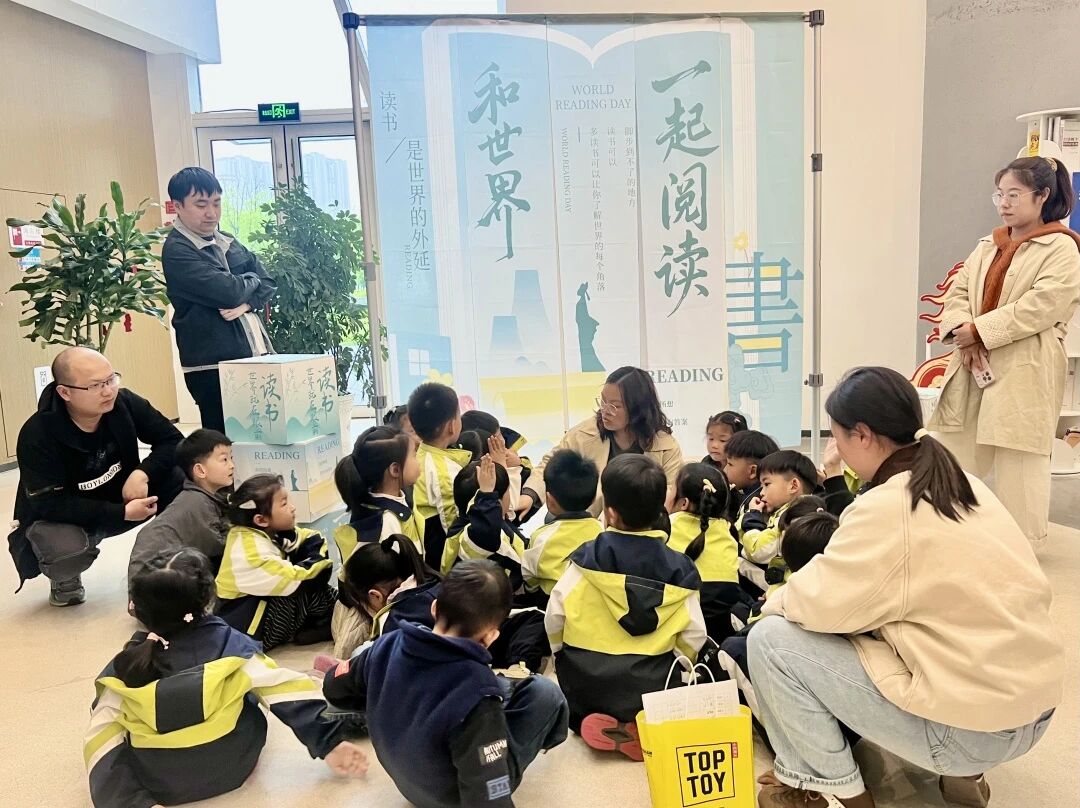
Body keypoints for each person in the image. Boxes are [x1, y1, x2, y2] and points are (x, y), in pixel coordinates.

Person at [750, 366, 1063, 808]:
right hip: (1037, 709)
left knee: (771, 640)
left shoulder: (888, 507)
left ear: (862, 435)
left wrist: (775, 599)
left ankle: (840, 794)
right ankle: (964, 778)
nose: (836, 450)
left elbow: (819, 604)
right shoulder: (965, 484)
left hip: (975, 733)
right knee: (916, 622)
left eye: (837, 438)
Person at [85, 548, 366, 807]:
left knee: (111, 718)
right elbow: (284, 689)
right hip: (234, 765)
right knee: (251, 691)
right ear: (208, 600)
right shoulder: (231, 646)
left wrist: (130, 802)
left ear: (137, 609)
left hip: (162, 782)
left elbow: (100, 738)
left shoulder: (126, 666)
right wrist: (329, 742)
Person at [322, 559, 569, 808]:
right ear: (492, 635)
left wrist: (385, 698)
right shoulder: (479, 693)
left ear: (434, 608)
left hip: (409, 783)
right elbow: (487, 792)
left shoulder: (387, 644)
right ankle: (539, 738)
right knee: (544, 692)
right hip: (449, 799)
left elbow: (333, 686)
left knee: (499, 690)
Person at [929, 156, 1080, 549]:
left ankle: (1022, 549)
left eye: (1014, 194)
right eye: (1000, 194)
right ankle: (944, 536)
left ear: (1042, 196)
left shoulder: (1062, 248)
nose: (1004, 204)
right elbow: (957, 293)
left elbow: (1041, 306)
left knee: (1021, 462)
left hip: (1025, 368)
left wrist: (978, 331)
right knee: (952, 452)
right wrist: (962, 330)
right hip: (972, 365)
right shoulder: (988, 245)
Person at [545, 454, 706, 757]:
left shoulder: (584, 560)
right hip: (652, 687)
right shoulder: (681, 570)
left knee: (569, 670)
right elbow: (694, 635)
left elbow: (555, 617)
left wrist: (561, 656)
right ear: (661, 508)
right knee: (680, 666)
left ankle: (588, 720)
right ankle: (639, 721)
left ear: (611, 513)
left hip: (588, 682)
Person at [9, 347, 184, 606]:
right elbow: (50, 504)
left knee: (182, 477)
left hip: (124, 495)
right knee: (63, 548)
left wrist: (142, 473)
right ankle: (65, 579)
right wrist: (120, 513)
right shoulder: (38, 434)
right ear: (65, 392)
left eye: (111, 379)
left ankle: (177, 561)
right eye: (95, 386)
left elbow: (173, 440)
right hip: (70, 518)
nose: (108, 391)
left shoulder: (124, 403)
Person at [161, 167, 277, 433]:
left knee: (260, 441)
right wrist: (250, 279)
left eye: (216, 203)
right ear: (178, 206)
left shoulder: (226, 240)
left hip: (253, 357)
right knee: (224, 446)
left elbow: (269, 282)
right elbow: (229, 291)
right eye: (201, 205)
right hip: (213, 367)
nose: (211, 213)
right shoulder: (178, 250)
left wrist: (247, 305)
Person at [519, 366, 683, 520]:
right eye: (603, 402)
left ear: (638, 409)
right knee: (553, 518)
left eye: (615, 406)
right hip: (587, 523)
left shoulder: (666, 447)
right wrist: (529, 495)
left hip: (639, 526)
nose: (605, 411)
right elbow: (551, 464)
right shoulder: (585, 433)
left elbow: (669, 496)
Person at [719, 507, 837, 720]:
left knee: (732, 648)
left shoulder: (795, 591)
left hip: (795, 668)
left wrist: (752, 515)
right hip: (824, 669)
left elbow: (769, 612)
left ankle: (770, 724)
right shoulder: (831, 582)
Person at [331, 426, 424, 656]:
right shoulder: (386, 521)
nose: (418, 461)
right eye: (414, 455)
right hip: (373, 615)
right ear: (395, 470)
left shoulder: (383, 504)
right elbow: (384, 589)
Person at [215, 474, 336, 649]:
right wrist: (314, 558)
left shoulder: (262, 531)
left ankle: (325, 621)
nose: (293, 508)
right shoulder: (251, 553)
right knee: (307, 585)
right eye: (284, 504)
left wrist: (311, 555)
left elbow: (311, 538)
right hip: (248, 632)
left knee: (309, 572)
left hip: (257, 611)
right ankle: (331, 623)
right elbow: (304, 577)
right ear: (261, 520)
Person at [127, 428, 234, 585]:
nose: (232, 465)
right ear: (200, 470)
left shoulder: (199, 497)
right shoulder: (196, 502)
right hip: (156, 583)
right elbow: (216, 546)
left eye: (231, 458)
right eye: (224, 460)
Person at [666, 462, 749, 642]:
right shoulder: (728, 528)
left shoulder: (669, 524)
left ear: (684, 503)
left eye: (671, 489)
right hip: (721, 611)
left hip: (684, 610)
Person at [521, 449, 602, 602]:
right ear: (593, 499)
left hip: (551, 602)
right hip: (590, 601)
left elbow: (529, 578)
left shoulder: (542, 537)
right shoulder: (601, 530)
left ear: (549, 500)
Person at [408, 382, 471, 568]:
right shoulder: (444, 473)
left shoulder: (419, 455)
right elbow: (453, 528)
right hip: (439, 563)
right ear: (451, 426)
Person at [737, 450, 818, 591]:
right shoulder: (809, 509)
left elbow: (757, 550)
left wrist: (753, 516)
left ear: (793, 486)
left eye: (766, 484)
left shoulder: (792, 518)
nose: (761, 492)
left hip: (788, 591)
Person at [722, 429, 781, 523]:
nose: (724, 470)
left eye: (730, 464)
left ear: (753, 471)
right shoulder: (747, 493)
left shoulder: (758, 504)